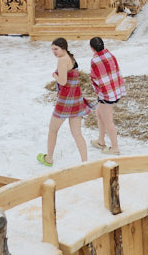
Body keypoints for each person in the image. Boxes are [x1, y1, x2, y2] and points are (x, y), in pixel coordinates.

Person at [38, 37, 89, 167]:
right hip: (76, 100)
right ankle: (85, 162)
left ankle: (49, 158)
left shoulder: (62, 60)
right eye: (52, 49)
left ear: (63, 48)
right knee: (77, 134)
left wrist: (54, 76)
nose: (54, 52)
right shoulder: (71, 58)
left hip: (65, 101)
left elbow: (63, 81)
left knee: (52, 130)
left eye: (56, 49)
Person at [88, 36, 126, 154]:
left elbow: (95, 78)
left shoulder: (95, 61)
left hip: (105, 94)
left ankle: (115, 148)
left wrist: (97, 89)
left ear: (92, 48)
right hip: (114, 90)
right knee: (99, 113)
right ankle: (100, 140)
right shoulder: (110, 55)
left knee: (108, 120)